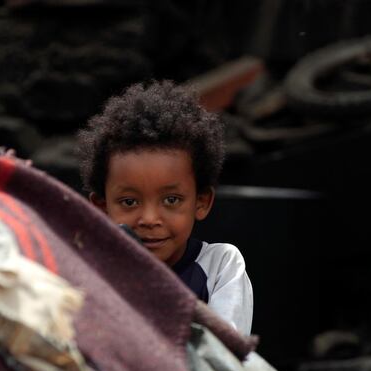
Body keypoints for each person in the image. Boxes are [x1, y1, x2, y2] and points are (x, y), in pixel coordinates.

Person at [77, 80, 253, 335]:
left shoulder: (219, 266)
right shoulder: (89, 269)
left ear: (201, 202)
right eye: (129, 202)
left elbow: (226, 355)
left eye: (171, 200)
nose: (149, 219)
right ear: (101, 208)